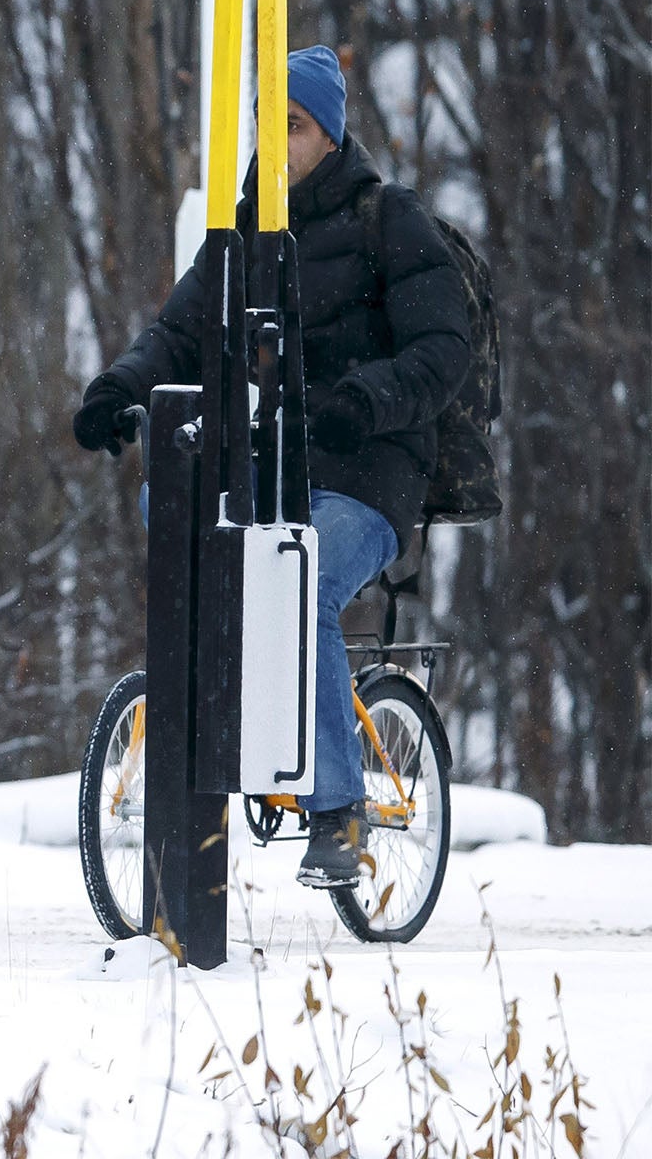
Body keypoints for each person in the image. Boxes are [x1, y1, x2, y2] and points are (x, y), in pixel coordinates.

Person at [72, 45, 471, 888]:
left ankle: (338, 809)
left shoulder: (386, 219)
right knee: (175, 518)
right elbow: (179, 329)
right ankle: (218, 731)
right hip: (278, 460)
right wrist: (118, 388)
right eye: (265, 121)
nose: (273, 139)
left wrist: (366, 398)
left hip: (371, 473)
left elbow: (443, 351)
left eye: (292, 124)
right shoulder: (245, 226)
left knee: (300, 574)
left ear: (329, 133)